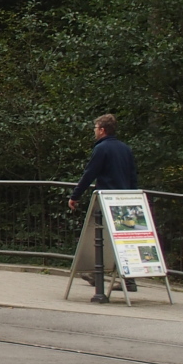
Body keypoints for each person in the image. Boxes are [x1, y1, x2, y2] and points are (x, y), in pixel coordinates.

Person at [68, 114, 140, 290]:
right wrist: (133, 196)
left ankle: (98, 274)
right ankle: (126, 278)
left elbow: (89, 174)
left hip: (107, 199)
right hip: (126, 200)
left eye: (95, 128)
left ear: (102, 130)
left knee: (100, 236)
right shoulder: (125, 148)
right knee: (123, 238)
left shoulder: (101, 149)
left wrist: (75, 195)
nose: (94, 131)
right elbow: (132, 175)